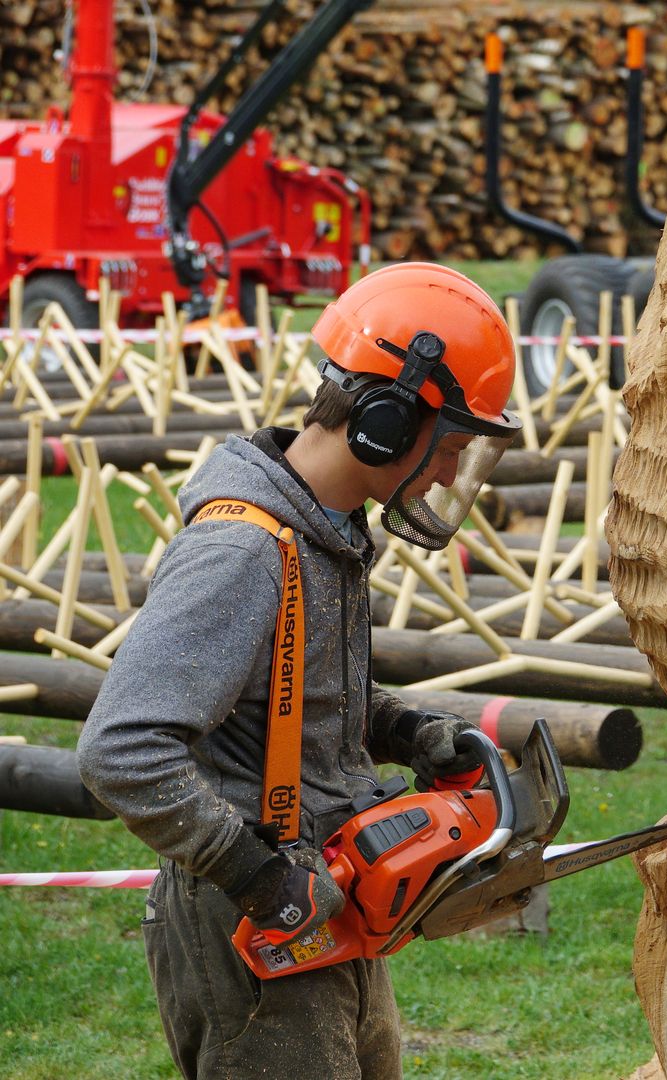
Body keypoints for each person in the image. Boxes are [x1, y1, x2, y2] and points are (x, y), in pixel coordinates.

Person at [78, 262, 521, 1079]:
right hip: (251, 906)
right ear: (385, 422)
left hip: (324, 890)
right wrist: (258, 877)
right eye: (451, 445)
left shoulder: (325, 530)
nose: (455, 474)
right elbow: (120, 750)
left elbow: (291, 695)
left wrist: (405, 730)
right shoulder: (243, 550)